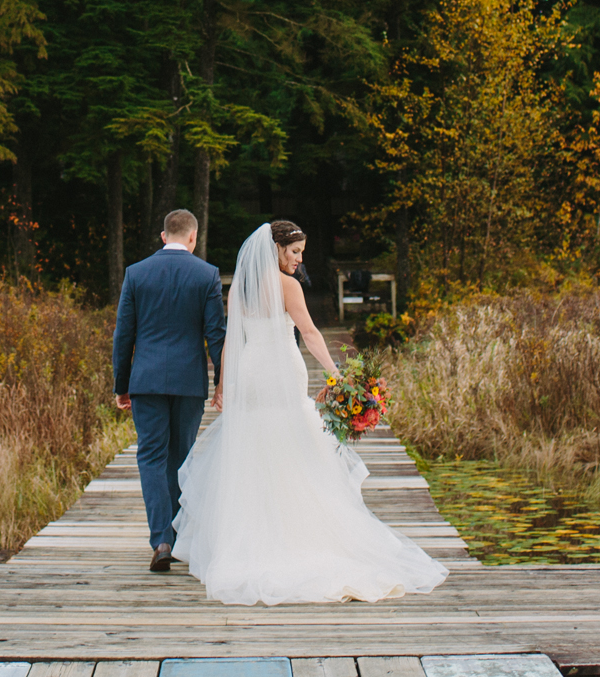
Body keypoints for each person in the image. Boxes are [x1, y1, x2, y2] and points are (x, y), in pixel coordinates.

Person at [169, 219, 449, 605]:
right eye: (295, 252)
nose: (300, 260)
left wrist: (222, 384)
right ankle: (296, 535)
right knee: (290, 442)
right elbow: (311, 333)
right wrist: (339, 378)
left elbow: (232, 340)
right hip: (281, 368)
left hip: (251, 371)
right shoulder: (288, 286)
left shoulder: (241, 289)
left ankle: (249, 540)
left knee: (253, 446)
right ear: (277, 250)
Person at [111, 208, 226, 573]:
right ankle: (178, 537)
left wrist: (121, 384)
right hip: (189, 381)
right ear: (193, 238)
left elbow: (123, 335)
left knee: (151, 457)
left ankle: (161, 537)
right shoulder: (206, 275)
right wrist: (221, 381)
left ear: (164, 236)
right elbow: (216, 336)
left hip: (145, 380)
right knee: (182, 457)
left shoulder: (136, 273)